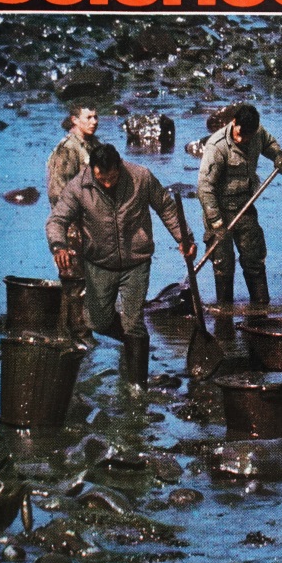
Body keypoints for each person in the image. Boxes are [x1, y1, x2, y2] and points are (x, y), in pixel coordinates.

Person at [46, 143, 195, 389]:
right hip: (98, 263)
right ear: (92, 170)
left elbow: (166, 207)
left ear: (120, 167)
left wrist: (184, 238)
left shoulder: (140, 177)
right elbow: (57, 220)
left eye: (112, 178)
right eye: (101, 179)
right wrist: (58, 246)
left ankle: (138, 385)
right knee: (97, 321)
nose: (107, 183)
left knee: (133, 320)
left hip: (136, 261)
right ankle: (133, 343)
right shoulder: (79, 187)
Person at [197, 103, 282, 307]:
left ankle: (261, 307)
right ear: (233, 123)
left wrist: (278, 157)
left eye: (247, 136)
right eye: (239, 135)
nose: (242, 140)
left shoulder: (257, 133)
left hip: (245, 206)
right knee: (223, 263)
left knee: (254, 257)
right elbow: (204, 187)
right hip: (219, 209)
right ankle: (225, 310)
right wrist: (216, 222)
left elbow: (269, 144)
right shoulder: (217, 146)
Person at [46, 103, 100, 343]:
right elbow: (58, 193)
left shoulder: (95, 147)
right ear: (75, 120)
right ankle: (76, 335)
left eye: (96, 116)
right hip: (71, 226)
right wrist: (69, 230)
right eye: (89, 117)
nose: (94, 121)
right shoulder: (66, 150)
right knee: (73, 280)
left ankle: (80, 331)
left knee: (90, 280)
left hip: (93, 224)